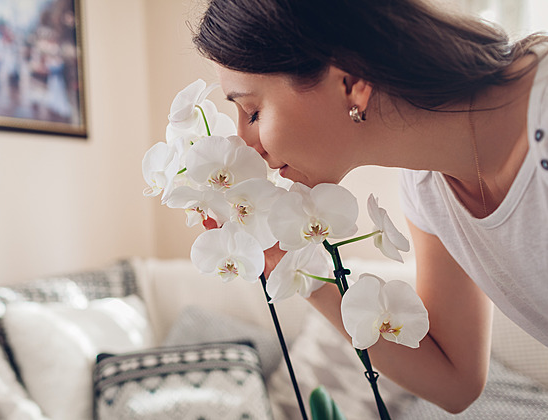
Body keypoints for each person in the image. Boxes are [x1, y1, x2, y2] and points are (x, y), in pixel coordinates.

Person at [192, 0, 548, 414]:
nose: (246, 143)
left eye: (253, 111)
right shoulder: (427, 184)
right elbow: (455, 381)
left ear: (352, 78)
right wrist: (298, 269)